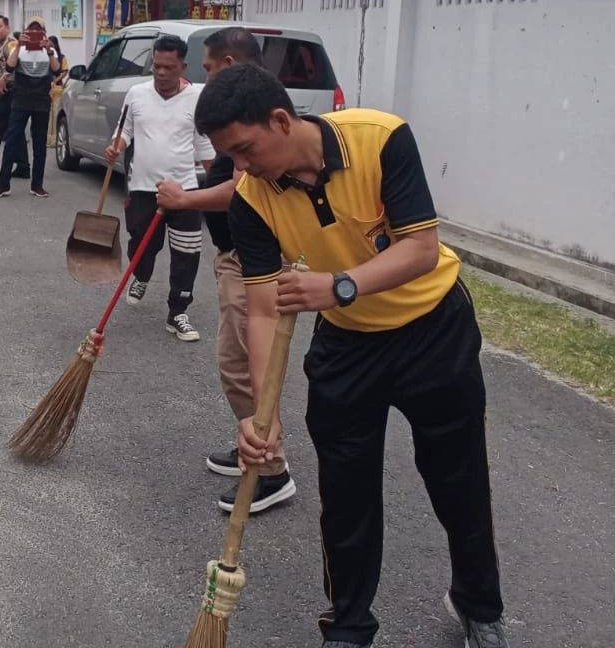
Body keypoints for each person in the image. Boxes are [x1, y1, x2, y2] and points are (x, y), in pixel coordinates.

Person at [195, 64, 509, 648]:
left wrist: (338, 285)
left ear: (281, 120)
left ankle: (478, 606)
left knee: (458, 478)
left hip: (433, 329)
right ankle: (348, 625)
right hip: (348, 346)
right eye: (228, 156)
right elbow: (263, 310)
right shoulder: (250, 199)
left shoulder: (380, 138)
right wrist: (264, 418)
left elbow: (420, 249)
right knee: (346, 494)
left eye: (243, 149)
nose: (239, 167)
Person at [156, 28, 295, 515]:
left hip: (252, 264)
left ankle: (270, 467)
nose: (203, 76)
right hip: (236, 258)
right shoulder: (241, 121)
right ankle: (253, 448)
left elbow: (240, 188)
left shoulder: (253, 122)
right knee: (238, 365)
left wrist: (186, 199)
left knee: (245, 367)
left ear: (231, 61)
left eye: (209, 68)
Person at [105, 34, 214, 342]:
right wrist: (115, 147)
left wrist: (220, 182)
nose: (161, 73)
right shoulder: (137, 94)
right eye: (156, 66)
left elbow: (204, 143)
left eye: (169, 67)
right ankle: (140, 275)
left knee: (187, 251)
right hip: (142, 187)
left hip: (185, 190)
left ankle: (178, 311)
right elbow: (124, 129)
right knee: (142, 244)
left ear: (183, 66)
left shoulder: (196, 98)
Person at [0, 17, 60, 199]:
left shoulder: (50, 50)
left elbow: (57, 70)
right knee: (11, 141)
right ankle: (3, 185)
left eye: (39, 30)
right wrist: (20, 45)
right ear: (26, 31)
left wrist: (49, 51)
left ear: (44, 32)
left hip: (41, 101)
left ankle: (37, 185)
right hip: (20, 100)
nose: (35, 33)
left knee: (39, 146)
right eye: (31, 29)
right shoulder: (17, 49)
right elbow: (10, 67)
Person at [0, 14, 30, 179]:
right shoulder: (1, 45)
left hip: (8, 93)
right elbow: (2, 67)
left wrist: (3, 80)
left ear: (7, 27)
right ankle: (23, 166)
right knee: (15, 131)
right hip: (10, 92)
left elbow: (16, 65)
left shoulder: (10, 44)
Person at [47, 34, 67, 146]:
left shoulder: (61, 57)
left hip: (57, 88)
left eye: (50, 43)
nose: (48, 45)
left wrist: (55, 81)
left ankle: (55, 139)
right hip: (46, 87)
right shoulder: (44, 55)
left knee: (55, 113)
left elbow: (64, 71)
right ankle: (48, 139)